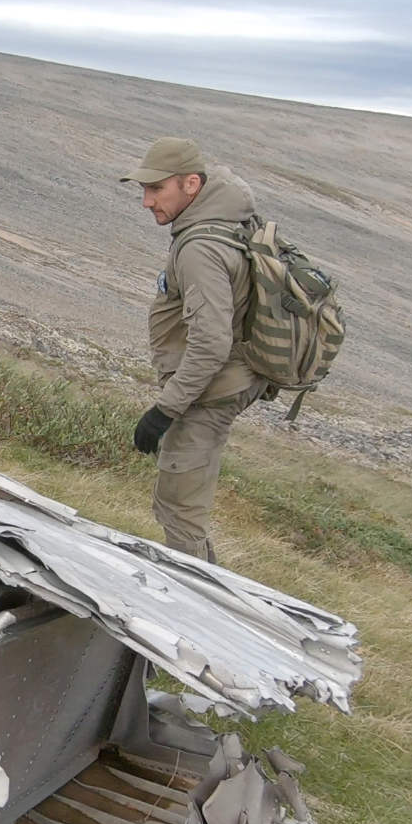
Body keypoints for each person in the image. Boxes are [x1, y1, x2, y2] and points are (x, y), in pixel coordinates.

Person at [119, 138, 270, 563]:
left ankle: (200, 610)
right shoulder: (223, 222)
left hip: (210, 391)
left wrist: (163, 411)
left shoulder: (200, 247)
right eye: (144, 190)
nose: (147, 202)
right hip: (220, 384)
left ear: (190, 184)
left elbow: (211, 343)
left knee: (180, 510)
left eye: (157, 189)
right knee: (182, 506)